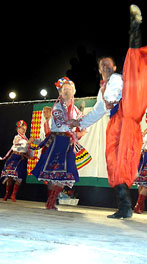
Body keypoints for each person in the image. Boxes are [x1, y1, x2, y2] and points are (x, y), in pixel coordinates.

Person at [69, 5, 147, 218]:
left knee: (133, 65)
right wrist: (78, 124)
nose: (106, 67)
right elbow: (97, 112)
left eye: (109, 64)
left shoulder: (118, 79)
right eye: (102, 66)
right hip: (115, 124)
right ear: (99, 70)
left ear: (114, 68)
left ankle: (134, 29)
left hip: (128, 111)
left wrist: (111, 99)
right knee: (114, 165)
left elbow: (118, 92)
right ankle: (125, 207)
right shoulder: (101, 91)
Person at [31, 77, 90, 210]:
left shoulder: (76, 110)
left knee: (67, 172)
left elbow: (84, 125)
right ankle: (50, 201)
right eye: (65, 90)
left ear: (73, 92)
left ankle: (51, 201)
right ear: (60, 92)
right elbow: (60, 124)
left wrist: (82, 131)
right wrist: (76, 124)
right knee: (52, 173)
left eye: (70, 89)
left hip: (68, 143)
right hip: (57, 141)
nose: (67, 92)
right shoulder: (57, 107)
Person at [0, 120, 35, 202]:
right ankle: (7, 193)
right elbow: (18, 144)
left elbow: (27, 150)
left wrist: (31, 157)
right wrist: (28, 142)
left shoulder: (26, 139)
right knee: (10, 176)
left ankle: (13, 195)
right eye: (21, 128)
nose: (23, 130)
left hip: (22, 159)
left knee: (19, 178)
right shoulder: (17, 137)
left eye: (24, 129)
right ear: (18, 129)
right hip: (14, 157)